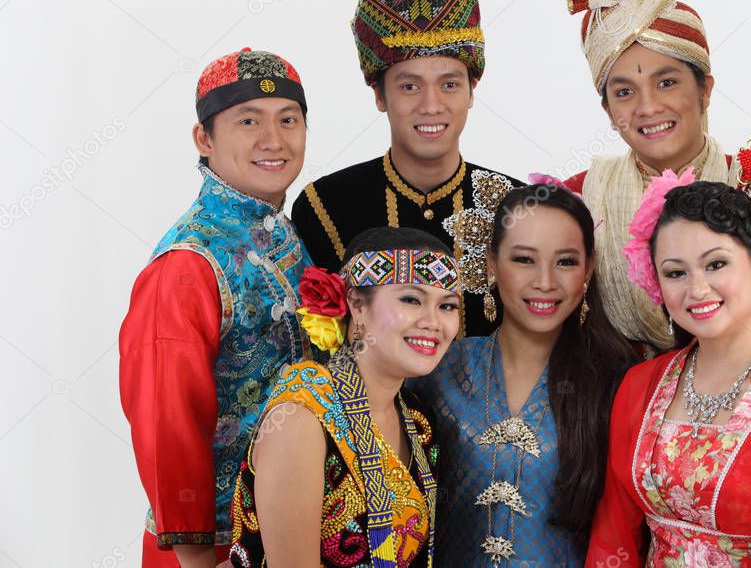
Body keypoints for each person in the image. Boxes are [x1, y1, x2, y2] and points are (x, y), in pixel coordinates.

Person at [119, 47, 319, 565]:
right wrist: (195, 552)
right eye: (248, 121)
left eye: (288, 120)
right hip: (213, 549)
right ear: (204, 138)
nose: (273, 140)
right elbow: (167, 422)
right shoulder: (187, 264)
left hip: (290, 532)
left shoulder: (288, 235)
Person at [587, 177, 751, 566]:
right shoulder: (639, 386)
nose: (697, 289)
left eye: (715, 264)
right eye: (676, 273)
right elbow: (613, 539)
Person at [562, 0, 751, 355]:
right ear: (609, 111)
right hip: (618, 411)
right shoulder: (581, 198)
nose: (648, 106)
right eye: (625, 92)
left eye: (667, 83)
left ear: (705, 90)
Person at [292, 0, 520, 340]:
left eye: (449, 85)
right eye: (410, 86)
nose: (431, 105)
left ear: (473, 90)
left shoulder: (517, 206)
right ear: (380, 95)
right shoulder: (324, 208)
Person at [410, 184, 636, 566]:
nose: (545, 281)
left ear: (589, 269)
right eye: (524, 260)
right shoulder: (438, 369)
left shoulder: (617, 384)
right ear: (491, 265)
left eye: (565, 261)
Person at [230, 227, 461, 567]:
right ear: (357, 305)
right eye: (411, 300)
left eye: (448, 306)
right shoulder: (300, 420)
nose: (433, 322)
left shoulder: (417, 419)